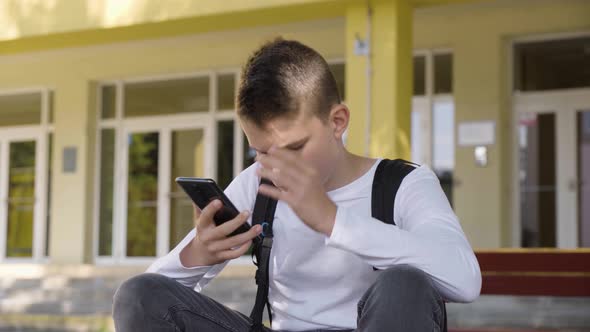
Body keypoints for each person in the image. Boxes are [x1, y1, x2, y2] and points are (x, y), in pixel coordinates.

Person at [112, 38, 481, 332]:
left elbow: (464, 281)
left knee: (404, 283)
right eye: (261, 151)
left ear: (337, 122)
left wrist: (332, 219)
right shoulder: (259, 182)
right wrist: (197, 255)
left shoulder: (404, 184)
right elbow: (145, 307)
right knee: (138, 294)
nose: (277, 165)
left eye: (294, 148)